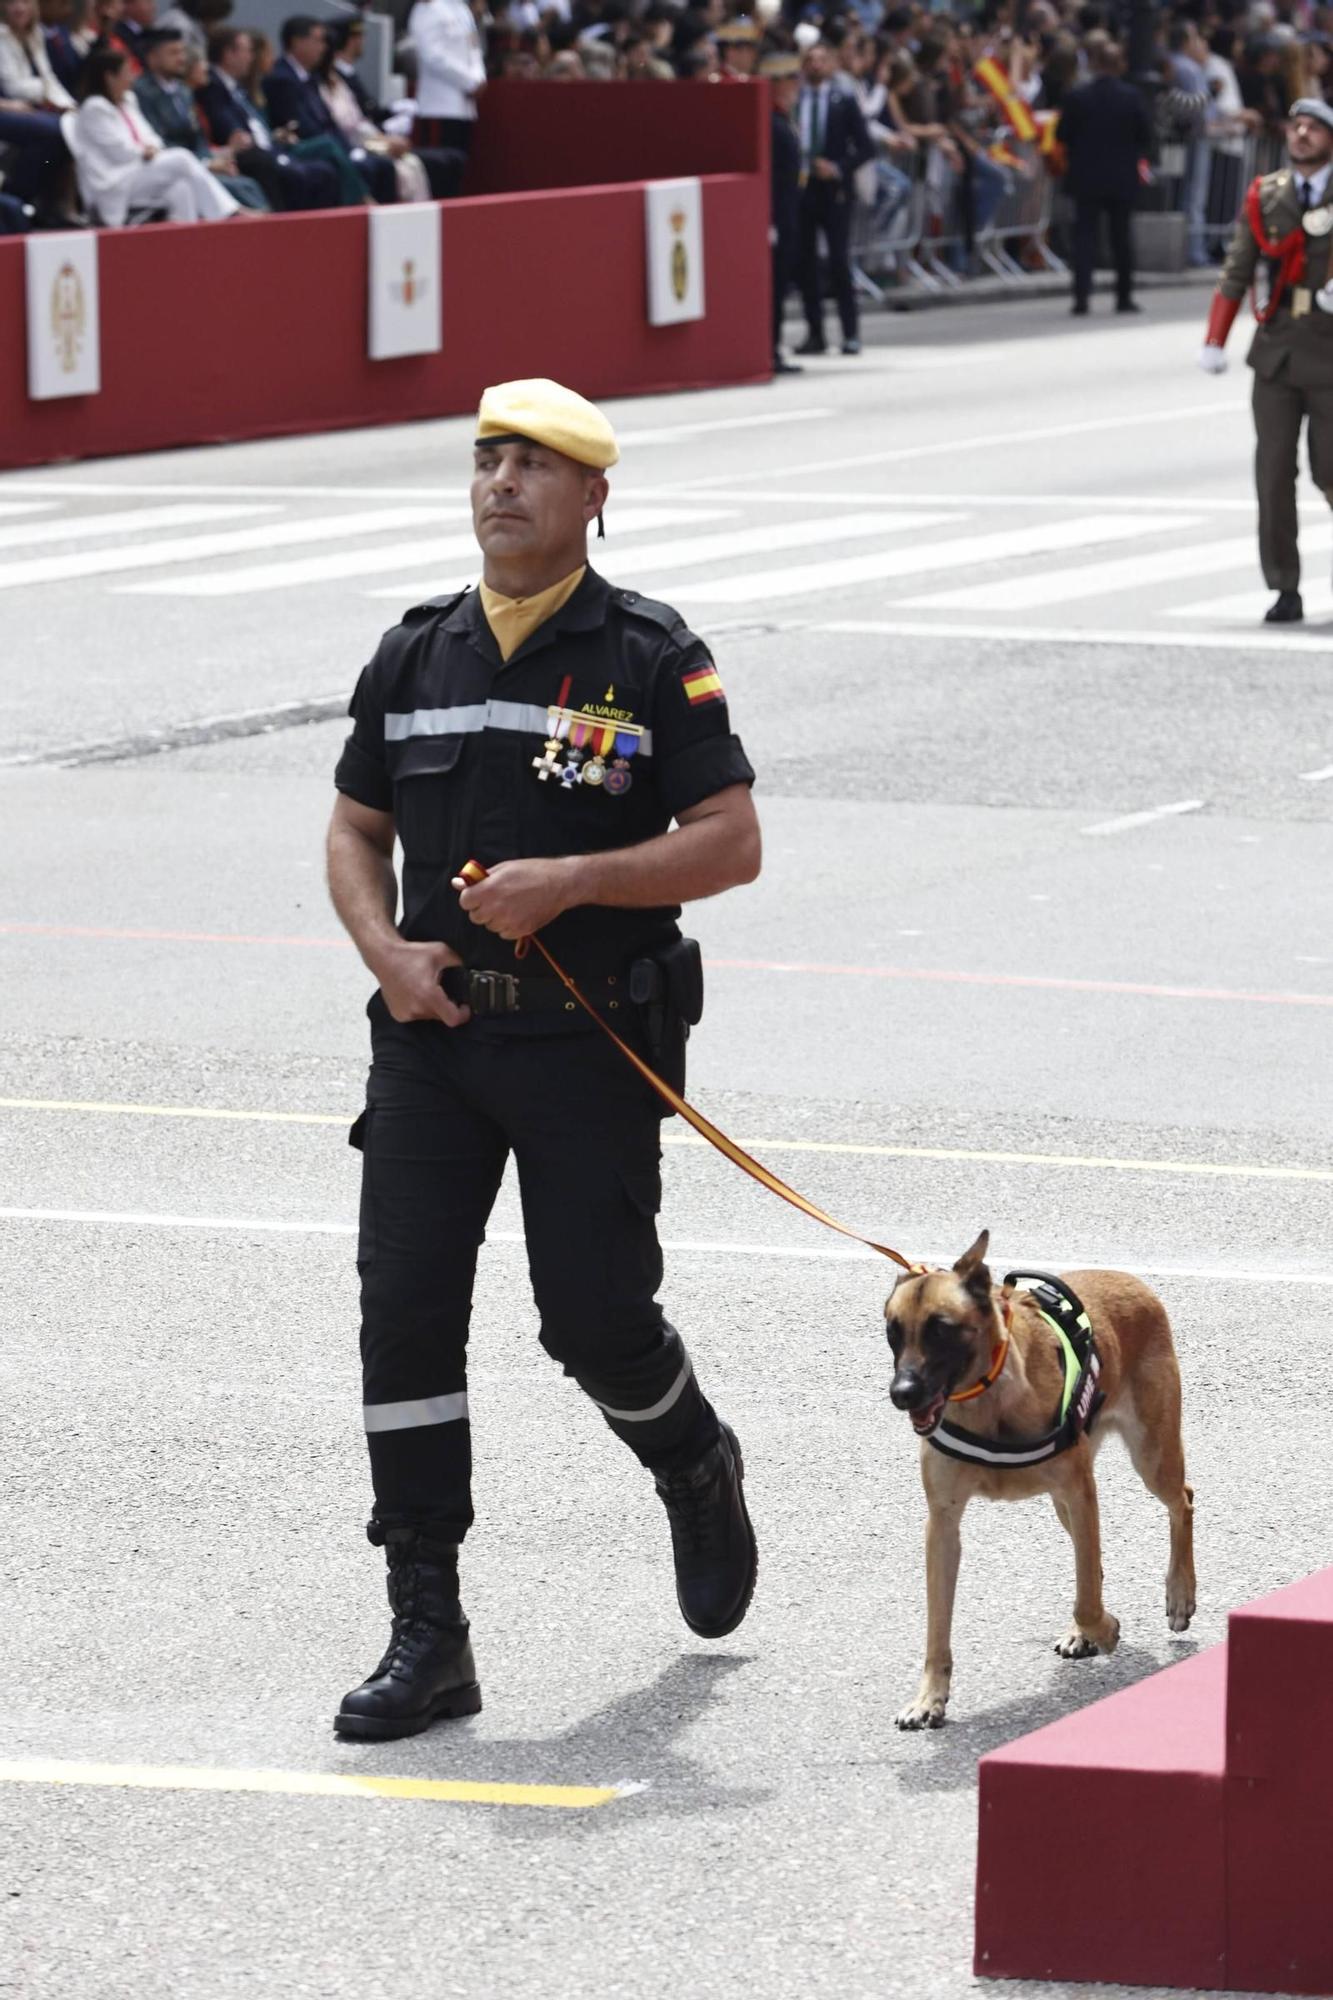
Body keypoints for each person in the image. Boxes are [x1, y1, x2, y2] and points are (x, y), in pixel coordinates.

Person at [326, 378, 762, 1741]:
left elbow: (731, 841)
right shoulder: (413, 656)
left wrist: (575, 880)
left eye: (535, 465)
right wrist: (387, 957)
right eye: (487, 460)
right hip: (431, 1043)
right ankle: (427, 1625)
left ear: (593, 500)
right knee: (404, 1320)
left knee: (591, 1318)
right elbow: (352, 835)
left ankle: (691, 1458)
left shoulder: (648, 654)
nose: (502, 483)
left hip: (587, 1044)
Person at [1198, 99, 1333, 625]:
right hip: (1276, 354)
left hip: (1330, 354)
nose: (1300, 134)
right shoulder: (1267, 194)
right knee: (1273, 474)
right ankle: (1285, 586)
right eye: (1296, 126)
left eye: (1314, 127)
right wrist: (1215, 338)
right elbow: (1238, 270)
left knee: (1332, 472)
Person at [71, 43, 242, 221]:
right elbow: (119, 151)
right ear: (110, 77)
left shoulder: (128, 100)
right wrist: (144, 151)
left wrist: (152, 147)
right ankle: (229, 213)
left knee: (180, 188)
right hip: (113, 182)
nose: (132, 78)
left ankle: (188, 241)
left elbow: (149, 135)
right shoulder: (95, 108)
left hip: (138, 171)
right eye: (127, 72)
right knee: (182, 158)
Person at [196, 27, 350, 209]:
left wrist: (274, 136)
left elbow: (255, 125)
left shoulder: (236, 86)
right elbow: (230, 128)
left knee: (324, 170)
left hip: (270, 147)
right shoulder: (213, 85)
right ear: (229, 55)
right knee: (296, 173)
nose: (251, 58)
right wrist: (239, 136)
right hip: (248, 154)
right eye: (247, 51)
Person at [1058, 32, 1150, 317]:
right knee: (1121, 237)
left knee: (1085, 237)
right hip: (1121, 176)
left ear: (1096, 64)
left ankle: (1081, 297)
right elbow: (1145, 135)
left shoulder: (1078, 96)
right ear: (1120, 64)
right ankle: (1123, 296)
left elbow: (1063, 134)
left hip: (1086, 175)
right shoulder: (1131, 97)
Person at [794, 39, 873, 356]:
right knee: (806, 263)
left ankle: (850, 332)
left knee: (839, 260)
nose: (815, 65)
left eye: (822, 60)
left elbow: (865, 146)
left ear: (831, 65)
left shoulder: (844, 99)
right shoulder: (796, 100)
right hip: (803, 188)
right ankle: (815, 332)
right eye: (810, 60)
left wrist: (839, 168)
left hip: (834, 190)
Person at [134, 23, 268, 207]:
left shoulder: (183, 91)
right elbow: (159, 141)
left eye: (182, 52)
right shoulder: (142, 93)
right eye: (173, 53)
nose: (181, 59)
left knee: (249, 183)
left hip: (199, 162)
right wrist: (206, 164)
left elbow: (197, 137)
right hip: (174, 169)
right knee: (239, 188)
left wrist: (214, 160)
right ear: (152, 58)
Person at [265, 14, 395, 202]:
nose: (323, 48)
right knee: (332, 151)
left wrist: (349, 149)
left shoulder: (310, 77)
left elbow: (328, 120)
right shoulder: (281, 79)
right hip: (299, 145)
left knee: (380, 164)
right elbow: (299, 124)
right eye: (317, 40)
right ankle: (363, 202)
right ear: (296, 42)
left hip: (331, 144)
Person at [764, 50, 803, 375]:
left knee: (781, 285)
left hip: (788, 213)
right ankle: (770, 350)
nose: (794, 87)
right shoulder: (773, 123)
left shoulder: (784, 119)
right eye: (789, 81)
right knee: (774, 287)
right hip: (777, 215)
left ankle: (774, 346)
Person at [406, 0, 484, 157]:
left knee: (459, 168)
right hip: (439, 106)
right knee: (440, 170)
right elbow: (431, 55)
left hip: (464, 107)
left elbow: (474, 48)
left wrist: (478, 78)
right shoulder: (428, 7)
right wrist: (469, 82)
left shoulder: (462, 9)